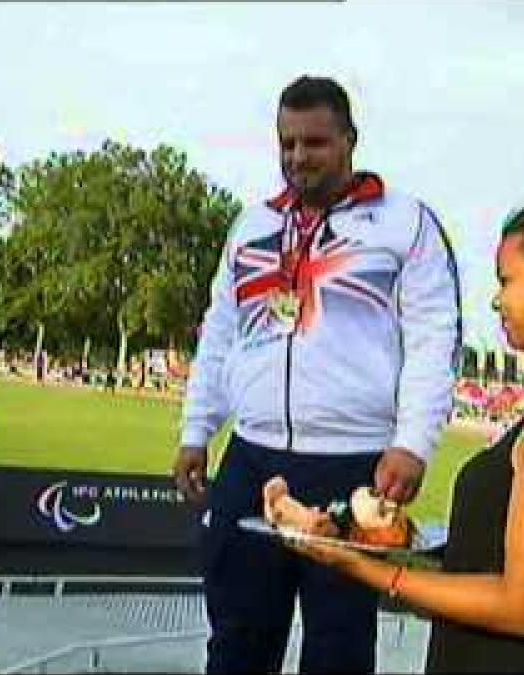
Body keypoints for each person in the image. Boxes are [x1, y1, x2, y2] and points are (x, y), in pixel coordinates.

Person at [279, 152, 524, 673]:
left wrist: (366, 570)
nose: (497, 301)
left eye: (508, 279)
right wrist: (371, 538)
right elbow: (500, 558)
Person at [172, 75, 462, 674]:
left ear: (350, 141)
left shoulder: (406, 223)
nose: (298, 158)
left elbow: (436, 339)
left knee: (338, 652)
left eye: (314, 142)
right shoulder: (250, 227)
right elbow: (220, 333)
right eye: (287, 143)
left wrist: (412, 443)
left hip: (352, 466)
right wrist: (196, 429)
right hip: (249, 460)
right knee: (235, 644)